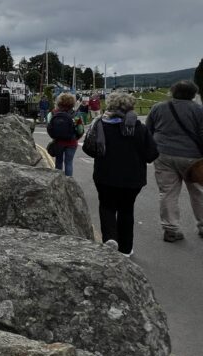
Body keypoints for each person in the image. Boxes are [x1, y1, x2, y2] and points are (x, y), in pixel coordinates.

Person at [83, 92, 158, 257]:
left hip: (105, 176)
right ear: (130, 107)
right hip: (133, 179)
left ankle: (110, 239)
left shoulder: (100, 124)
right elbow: (152, 154)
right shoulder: (139, 128)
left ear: (109, 106)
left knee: (107, 207)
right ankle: (125, 249)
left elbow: (88, 149)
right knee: (126, 210)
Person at [145, 80, 203, 243]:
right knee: (198, 191)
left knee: (168, 192)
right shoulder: (198, 110)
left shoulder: (158, 107)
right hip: (193, 157)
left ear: (173, 92)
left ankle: (171, 229)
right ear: (193, 94)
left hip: (163, 154)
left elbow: (148, 130)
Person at [46, 92, 84, 177]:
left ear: (59, 102)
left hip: (58, 142)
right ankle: (69, 183)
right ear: (72, 103)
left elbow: (49, 127)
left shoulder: (53, 113)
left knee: (58, 162)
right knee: (69, 163)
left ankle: (58, 182)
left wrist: (54, 137)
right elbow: (80, 130)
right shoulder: (76, 114)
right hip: (71, 142)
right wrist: (76, 137)